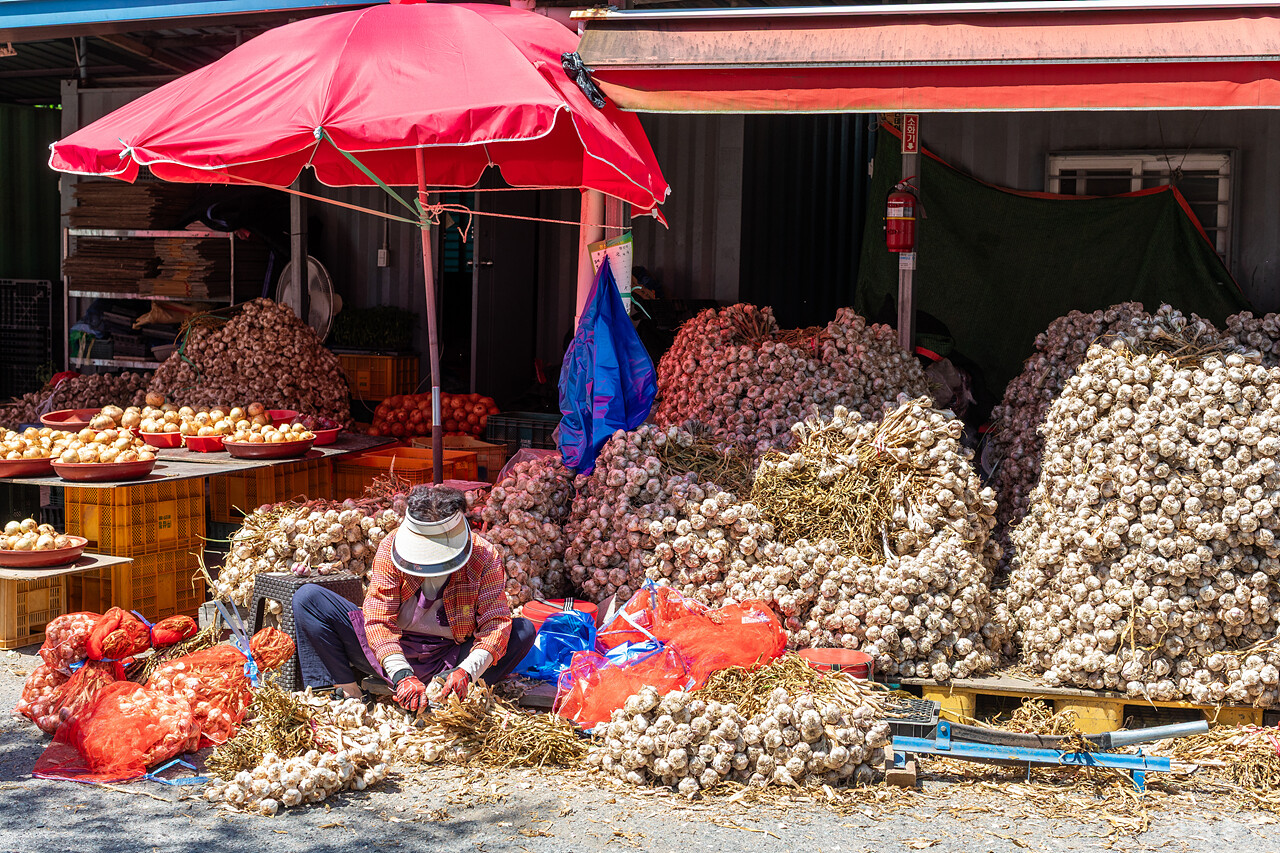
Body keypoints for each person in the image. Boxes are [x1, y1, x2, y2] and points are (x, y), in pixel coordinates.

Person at [292, 484, 535, 711]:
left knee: (521, 631)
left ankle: (449, 691)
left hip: (450, 656)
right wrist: (401, 674)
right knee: (308, 598)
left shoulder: (484, 556)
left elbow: (495, 623)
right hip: (391, 649)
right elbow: (378, 620)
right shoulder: (390, 547)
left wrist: (466, 672)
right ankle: (348, 692)